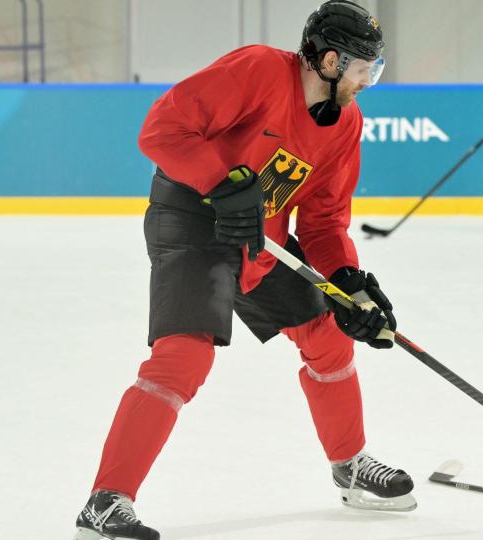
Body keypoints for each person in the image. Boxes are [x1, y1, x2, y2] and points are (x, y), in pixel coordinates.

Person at [73, 3, 416, 539]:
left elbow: (325, 219)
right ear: (329, 60)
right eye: (361, 68)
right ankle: (106, 502)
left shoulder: (345, 123)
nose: (367, 80)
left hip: (264, 240)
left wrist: (348, 281)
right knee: (184, 356)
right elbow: (161, 130)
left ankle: (349, 464)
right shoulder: (257, 70)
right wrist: (220, 181)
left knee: (329, 334)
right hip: (193, 221)